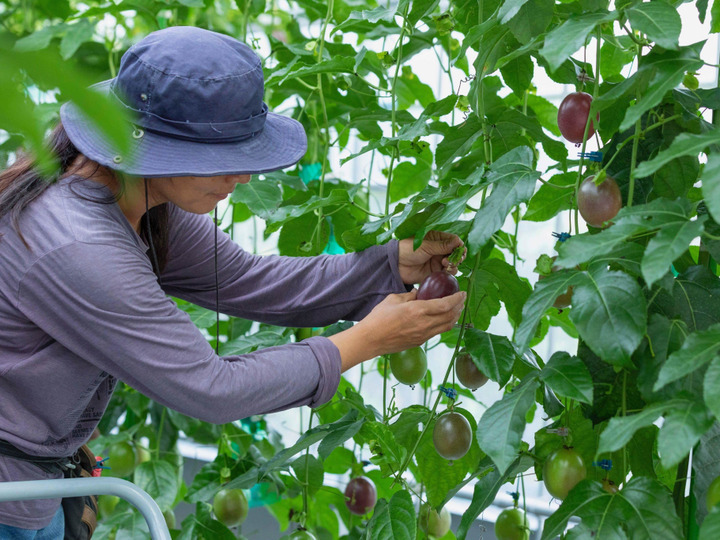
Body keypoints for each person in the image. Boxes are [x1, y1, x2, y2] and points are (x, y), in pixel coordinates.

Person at [0, 26, 466, 535]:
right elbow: (211, 389)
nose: (242, 178)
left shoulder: (142, 199)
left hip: (39, 486)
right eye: (224, 161)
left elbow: (249, 280)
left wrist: (390, 265)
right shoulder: (80, 245)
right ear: (158, 149)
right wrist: (365, 341)